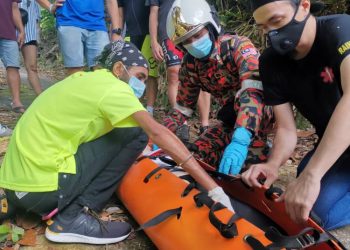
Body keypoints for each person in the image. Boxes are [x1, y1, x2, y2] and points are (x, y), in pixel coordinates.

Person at [0, 41, 233, 245]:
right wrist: (212, 187)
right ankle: (73, 217)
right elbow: (156, 132)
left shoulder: (84, 80)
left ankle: (15, 203)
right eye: (140, 76)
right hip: (43, 189)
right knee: (137, 133)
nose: (141, 85)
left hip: (16, 184)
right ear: (119, 69)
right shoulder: (114, 88)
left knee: (127, 133)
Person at [242, 0, 350, 230]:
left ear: (303, 6)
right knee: (302, 211)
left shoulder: (340, 29)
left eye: (276, 20)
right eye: (263, 26)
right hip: (338, 151)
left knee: (315, 206)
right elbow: (286, 129)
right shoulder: (271, 62)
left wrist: (313, 174)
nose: (271, 32)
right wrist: (273, 164)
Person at [165, 0, 273, 174]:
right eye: (186, 41)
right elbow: (182, 108)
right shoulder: (190, 66)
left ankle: (259, 145)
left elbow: (254, 92)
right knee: (196, 155)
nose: (193, 43)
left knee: (249, 175)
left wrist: (241, 139)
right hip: (230, 118)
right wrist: (160, 133)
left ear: (211, 27)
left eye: (197, 35)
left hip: (259, 114)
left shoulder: (237, 46)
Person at [148, 0, 211, 132]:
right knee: (174, 72)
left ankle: (205, 124)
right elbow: (154, 12)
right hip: (169, 32)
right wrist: (154, 41)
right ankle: (183, 124)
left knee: (201, 70)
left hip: (194, 27)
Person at [36, 0, 122, 76]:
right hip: (69, 21)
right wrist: (50, 7)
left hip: (98, 24)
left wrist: (116, 31)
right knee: (75, 72)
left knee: (102, 71)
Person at [117, 0, 160, 116]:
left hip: (149, 34)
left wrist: (155, 39)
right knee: (127, 73)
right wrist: (117, 35)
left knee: (151, 74)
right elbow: (120, 15)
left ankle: (149, 109)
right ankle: (132, 105)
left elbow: (155, 10)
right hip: (129, 35)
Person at [0, 0, 25, 113]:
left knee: (13, 66)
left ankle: (16, 101)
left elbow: (14, 7)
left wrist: (21, 30)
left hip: (8, 33)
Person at [19, 0, 42, 96]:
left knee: (32, 67)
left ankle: (41, 97)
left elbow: (37, 16)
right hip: (9, 30)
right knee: (12, 67)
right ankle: (16, 101)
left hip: (29, 31)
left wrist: (37, 35)